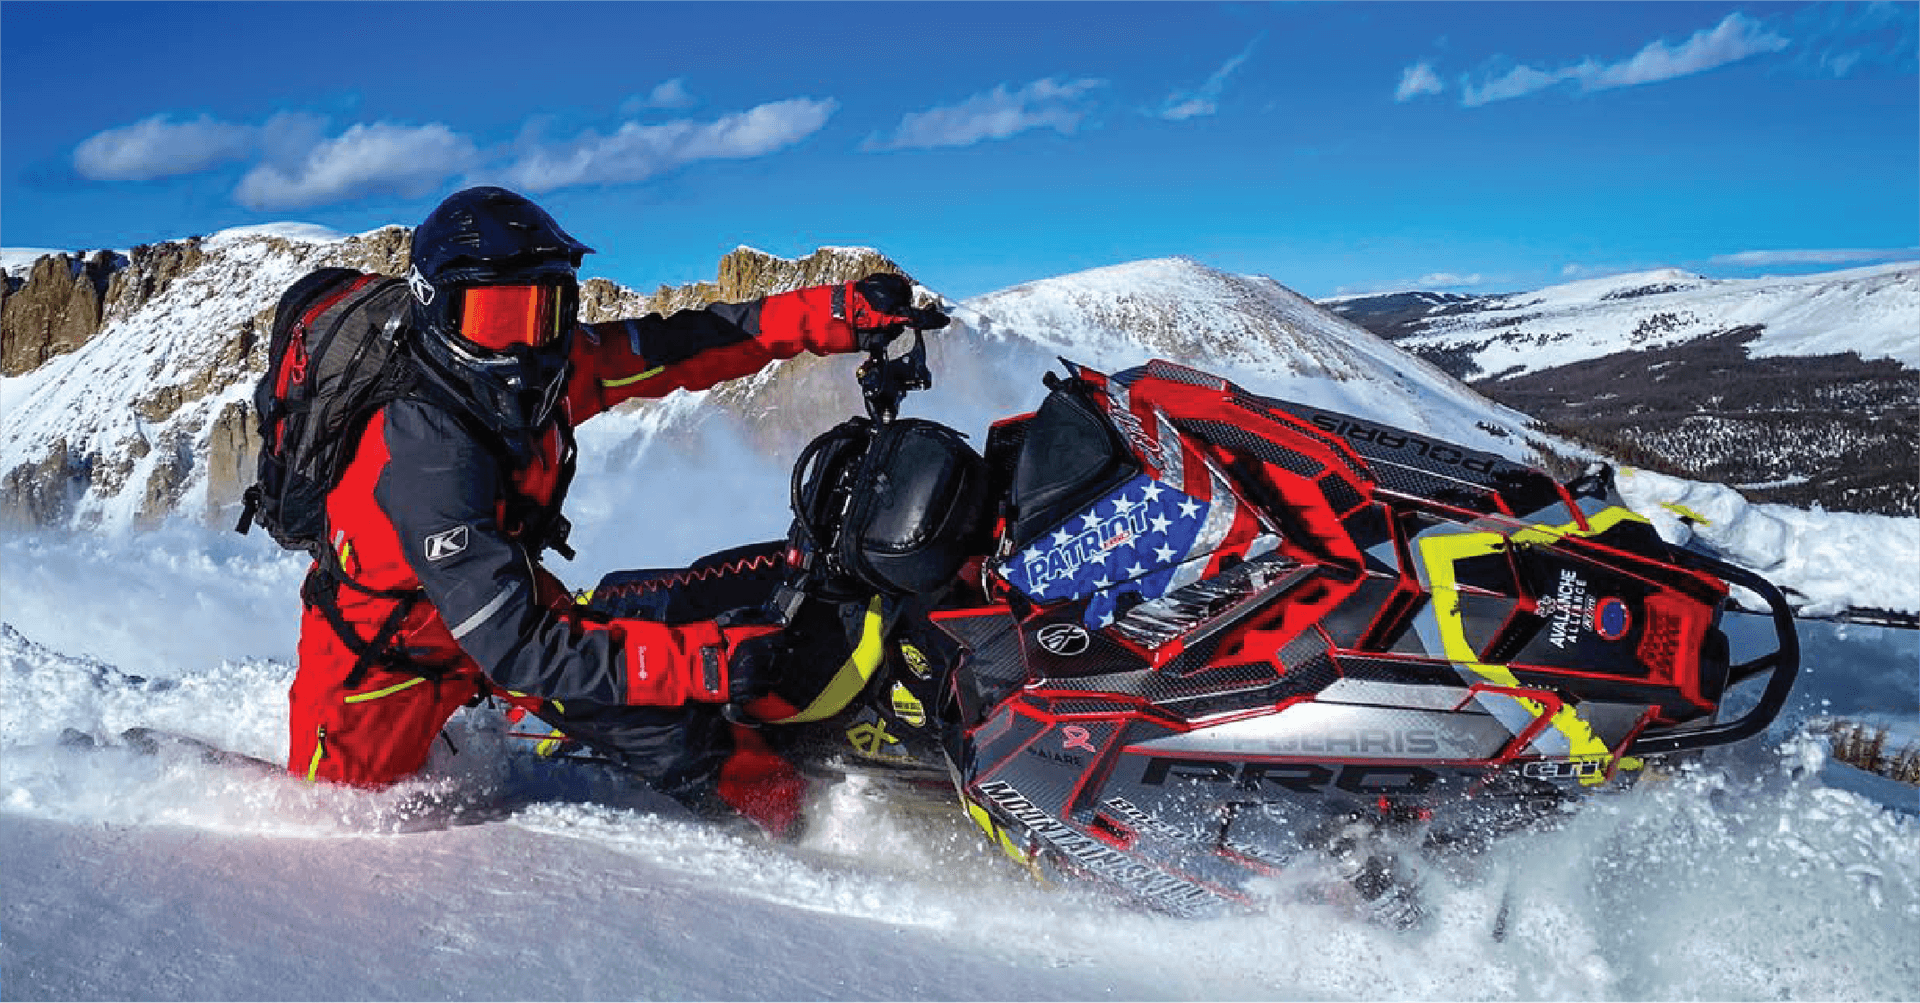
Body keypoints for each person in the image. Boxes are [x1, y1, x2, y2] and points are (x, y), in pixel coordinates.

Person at [286, 185, 947, 835]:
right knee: (341, 829)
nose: (522, 344)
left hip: (499, 596)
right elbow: (518, 647)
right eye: (495, 318)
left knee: (681, 733)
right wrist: (703, 661)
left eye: (541, 313)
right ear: (439, 312)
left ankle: (810, 831)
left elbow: (686, 344)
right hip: (381, 661)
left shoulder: (545, 374)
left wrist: (833, 314)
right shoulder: (425, 455)